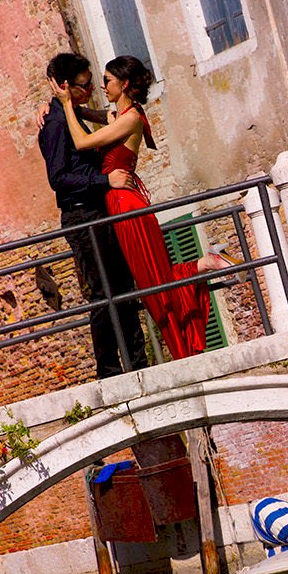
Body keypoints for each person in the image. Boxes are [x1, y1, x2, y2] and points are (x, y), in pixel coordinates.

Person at [50, 56, 229, 361]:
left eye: (107, 81)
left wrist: (65, 104)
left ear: (125, 84)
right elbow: (93, 114)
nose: (101, 86)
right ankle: (201, 269)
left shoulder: (131, 118)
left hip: (125, 204)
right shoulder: (117, 116)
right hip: (118, 205)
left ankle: (204, 265)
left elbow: (82, 143)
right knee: (145, 281)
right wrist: (55, 106)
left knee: (151, 279)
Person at [38, 52, 148, 379]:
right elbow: (58, 178)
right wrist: (105, 180)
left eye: (91, 86)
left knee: (122, 287)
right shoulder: (56, 124)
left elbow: (103, 119)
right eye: (84, 87)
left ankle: (138, 363)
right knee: (103, 293)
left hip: (97, 211)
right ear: (64, 86)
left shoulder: (70, 113)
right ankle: (110, 372)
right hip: (81, 216)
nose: (90, 92)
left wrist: (73, 105)